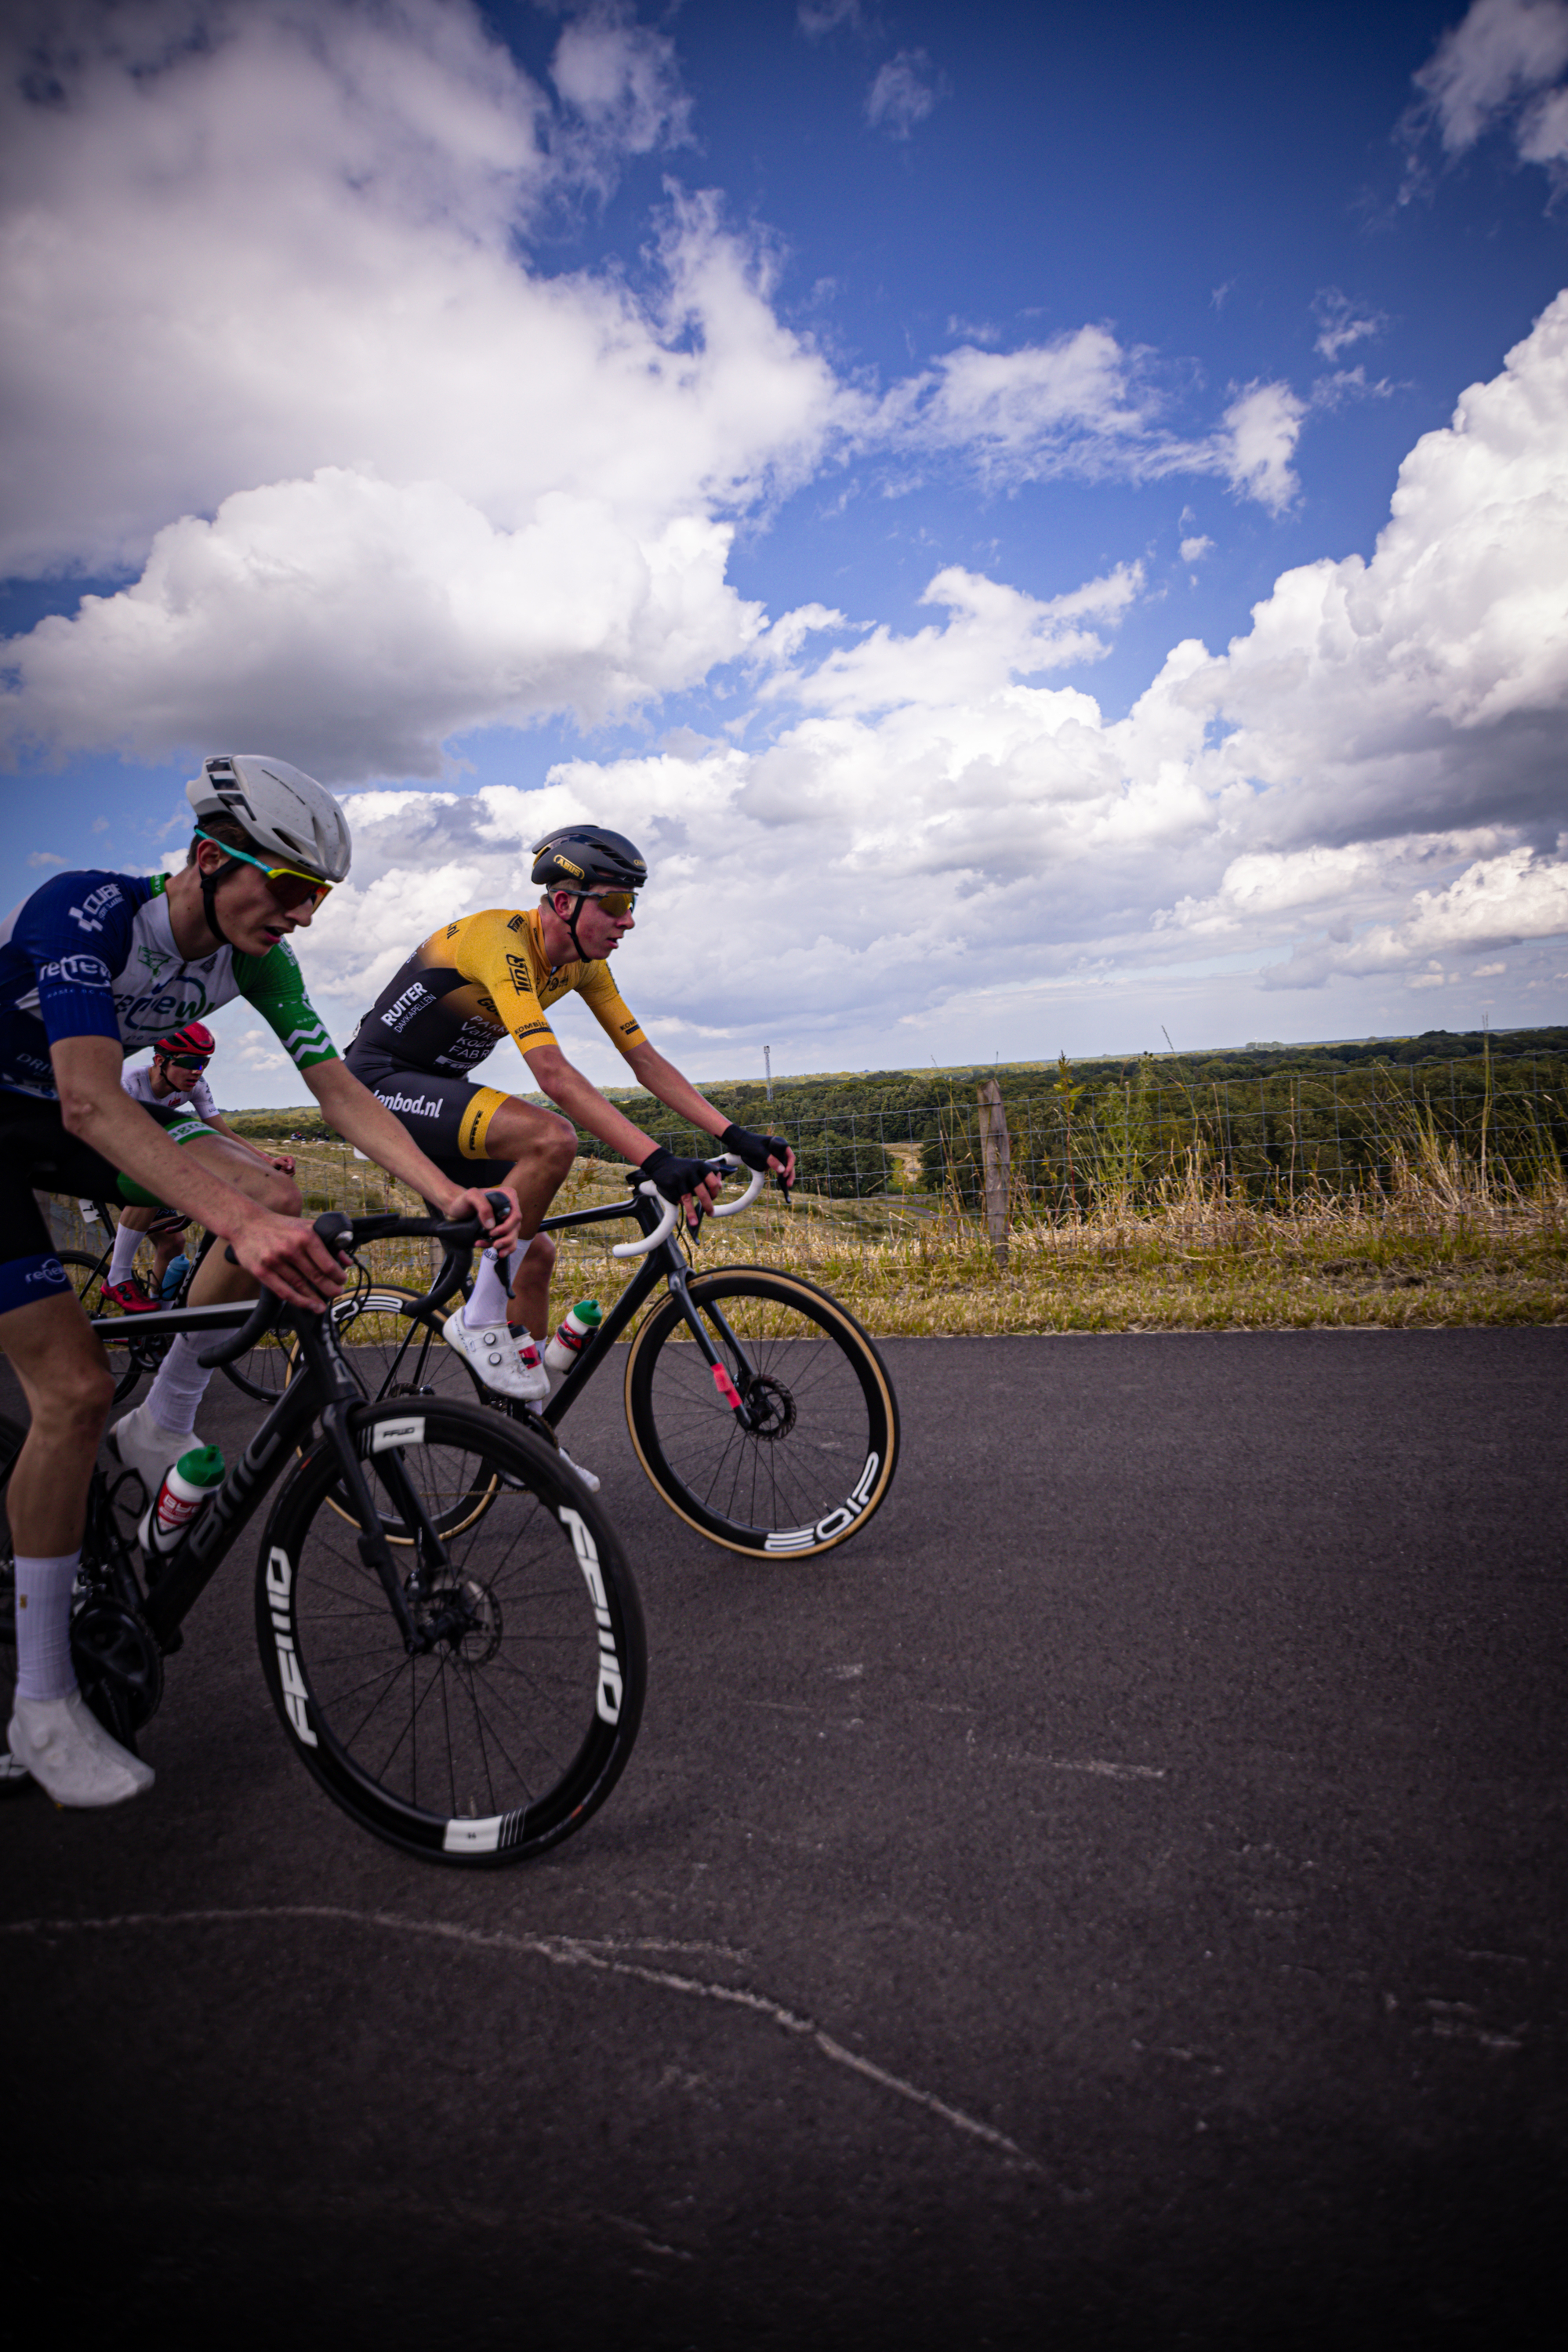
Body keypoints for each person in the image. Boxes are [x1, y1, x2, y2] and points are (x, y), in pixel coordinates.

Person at [0, 753, 521, 1809]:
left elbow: (341, 1096)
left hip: (72, 1124)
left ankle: (168, 1417)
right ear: (207, 859)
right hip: (38, 1114)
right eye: (286, 889)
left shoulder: (254, 962)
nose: (302, 917)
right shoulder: (86, 912)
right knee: (71, 1390)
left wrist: (442, 1190)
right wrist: (219, 1209)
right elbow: (93, 1102)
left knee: (274, 1192)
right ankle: (43, 1703)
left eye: (316, 898)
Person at [344, 826, 794, 1406]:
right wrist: (655, 1161)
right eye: (615, 903)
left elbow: (646, 1061)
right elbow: (553, 1077)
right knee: (551, 1138)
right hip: (375, 1087)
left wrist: (734, 1133)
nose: (627, 920)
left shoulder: (582, 965)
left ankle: (524, 1433)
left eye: (631, 904)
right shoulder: (500, 941)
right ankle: (478, 1320)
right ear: (563, 902)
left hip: (435, 1091)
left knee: (535, 1259)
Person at [101, 1022, 298, 1308]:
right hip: (105, 1153)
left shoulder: (197, 1086)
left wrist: (266, 1160)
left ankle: (155, 1326)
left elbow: (223, 1135)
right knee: (155, 1180)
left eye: (204, 1063)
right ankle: (117, 1277)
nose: (198, 1071)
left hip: (144, 1155)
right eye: (191, 1062)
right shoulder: (129, 1084)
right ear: (160, 1061)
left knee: (173, 1245)